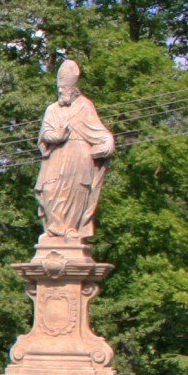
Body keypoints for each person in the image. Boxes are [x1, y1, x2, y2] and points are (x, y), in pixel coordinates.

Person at [34, 59, 116, 245]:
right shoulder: (52, 110)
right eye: (59, 89)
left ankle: (71, 230)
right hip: (56, 157)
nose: (61, 92)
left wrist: (108, 140)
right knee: (48, 190)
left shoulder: (85, 106)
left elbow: (99, 131)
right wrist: (57, 136)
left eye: (64, 89)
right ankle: (54, 230)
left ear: (73, 89)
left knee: (76, 193)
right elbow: (44, 134)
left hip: (79, 158)